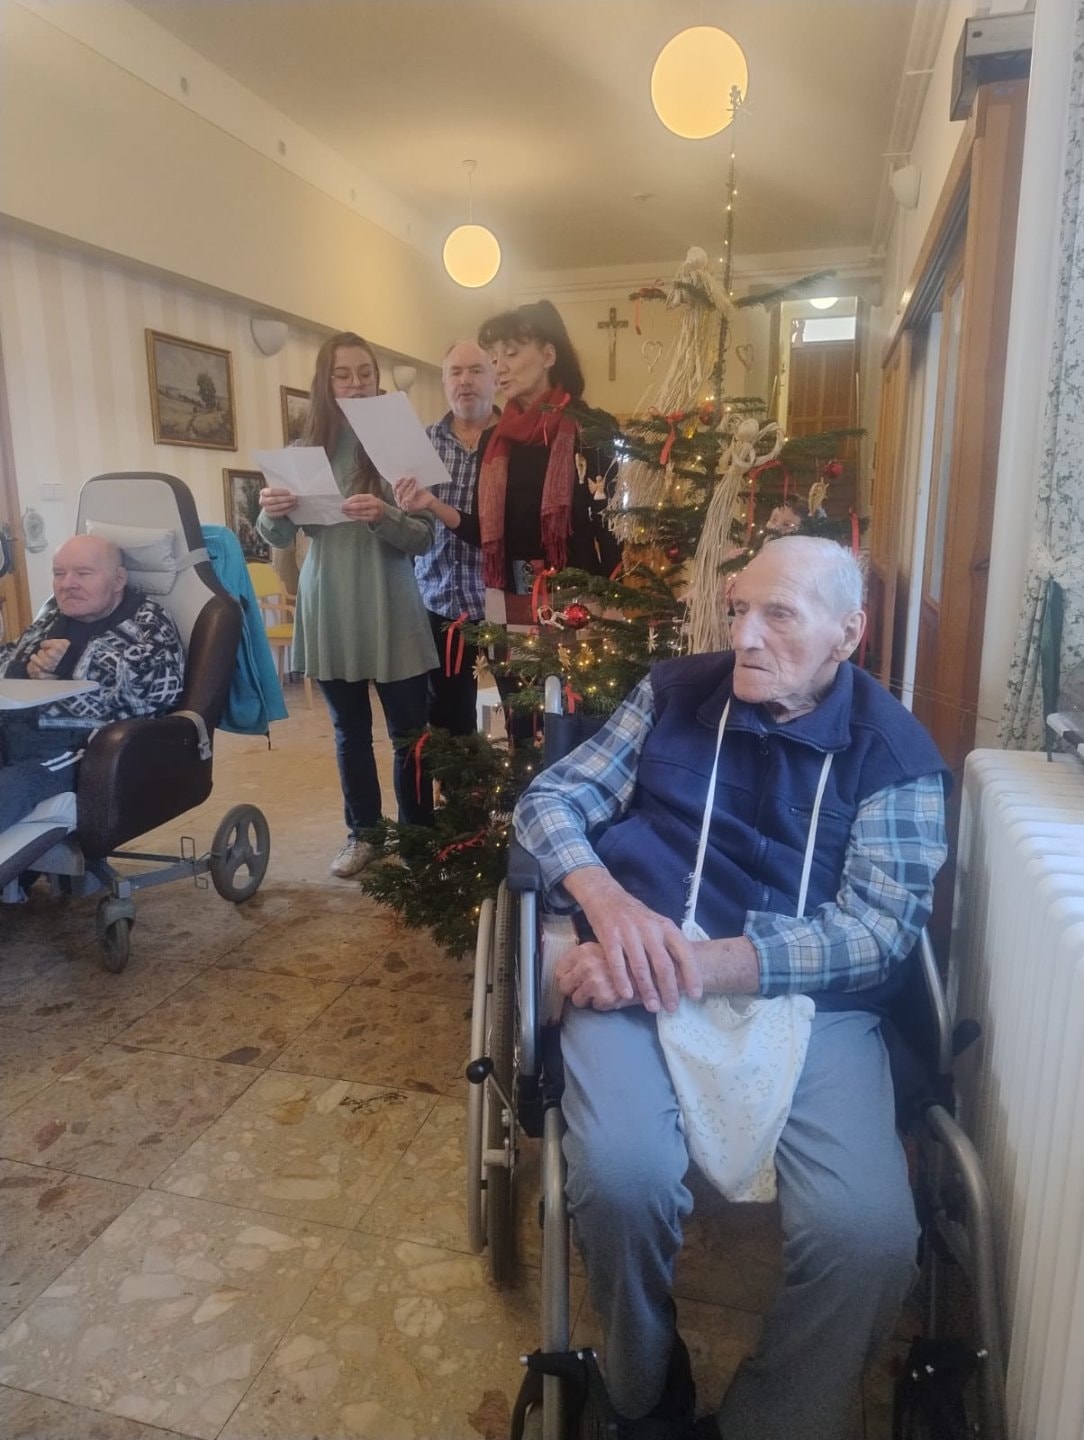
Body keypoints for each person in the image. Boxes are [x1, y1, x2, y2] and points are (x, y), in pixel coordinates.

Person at [513, 536, 950, 1440]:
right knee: (622, 1180)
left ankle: (772, 1419)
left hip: (808, 1008)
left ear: (848, 634)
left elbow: (875, 935)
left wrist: (677, 963)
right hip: (636, 976)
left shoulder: (897, 756)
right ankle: (642, 1385)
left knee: (867, 1235)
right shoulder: (674, 693)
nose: (744, 637)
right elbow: (548, 800)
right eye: (738, 610)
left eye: (778, 615)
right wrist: (610, 904)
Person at [396, 299, 620, 748]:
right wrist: (433, 505)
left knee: (578, 720)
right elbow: (491, 533)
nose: (499, 366)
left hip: (577, 600)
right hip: (513, 600)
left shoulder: (591, 428)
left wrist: (612, 602)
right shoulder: (499, 441)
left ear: (549, 354)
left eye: (511, 353)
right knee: (523, 724)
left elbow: (611, 525)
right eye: (494, 356)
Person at [257, 331, 437, 879]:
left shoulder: (400, 447)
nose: (355, 384)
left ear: (377, 380)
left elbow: (424, 538)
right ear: (326, 382)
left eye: (364, 373)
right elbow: (279, 536)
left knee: (410, 734)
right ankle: (364, 835)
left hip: (391, 600)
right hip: (328, 599)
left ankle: (418, 839)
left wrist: (384, 515)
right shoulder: (303, 450)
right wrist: (271, 509)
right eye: (343, 374)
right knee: (349, 733)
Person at [0, 534, 184, 832]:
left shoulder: (148, 620)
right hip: (13, 731)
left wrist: (72, 662)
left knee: (12, 786)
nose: (67, 583)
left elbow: (159, 688)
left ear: (119, 579)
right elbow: (10, 657)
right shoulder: (52, 618)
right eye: (59, 573)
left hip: (77, 745)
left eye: (83, 573)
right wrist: (27, 668)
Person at [409, 340, 497, 736]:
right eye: (455, 372)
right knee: (448, 723)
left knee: (522, 716)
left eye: (476, 370)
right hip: (439, 604)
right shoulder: (422, 444)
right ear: (444, 382)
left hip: (501, 604)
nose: (465, 381)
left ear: (494, 378)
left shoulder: (515, 443)